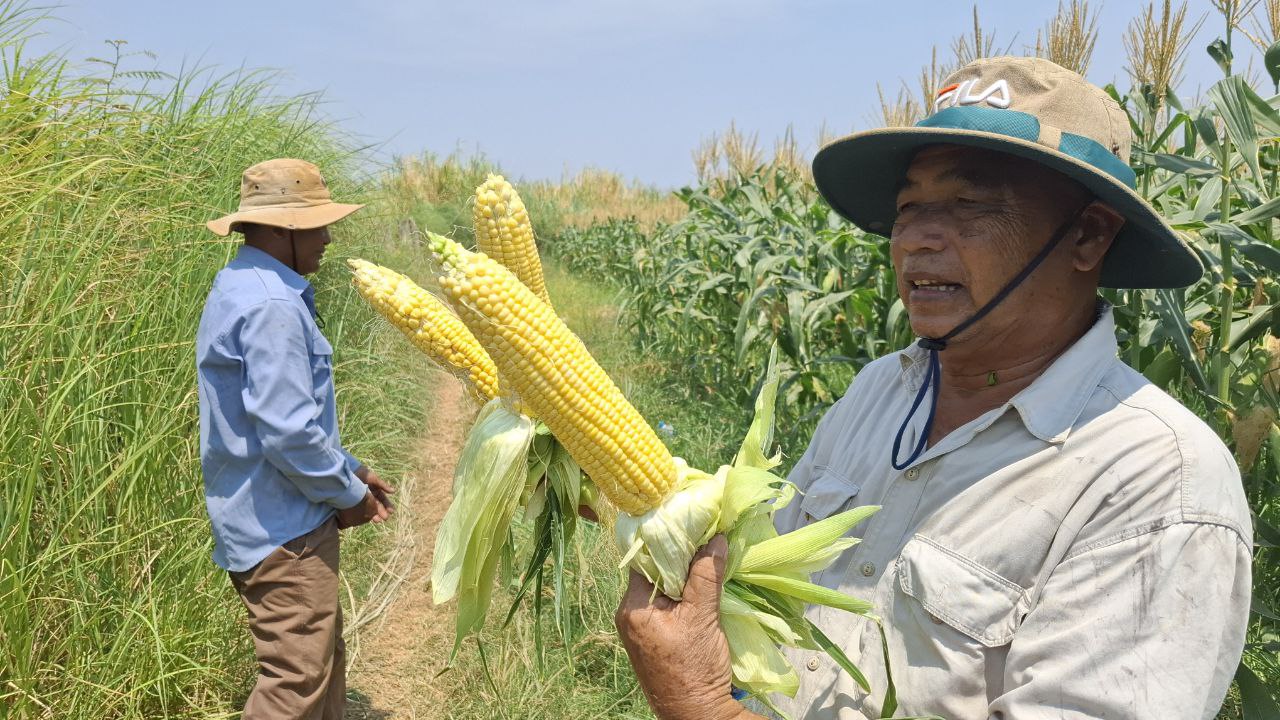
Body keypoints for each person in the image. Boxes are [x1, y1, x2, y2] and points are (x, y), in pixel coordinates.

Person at [615, 57, 1252, 719]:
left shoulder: (1156, 484)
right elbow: (760, 578)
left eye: (969, 205)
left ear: (1089, 234)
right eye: (908, 208)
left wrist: (700, 702)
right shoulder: (877, 392)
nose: (915, 240)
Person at [197, 158, 395, 719]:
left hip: (265, 513)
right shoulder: (272, 306)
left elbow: (277, 419)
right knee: (296, 680)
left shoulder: (241, 285)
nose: (327, 238)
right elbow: (286, 433)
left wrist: (348, 467)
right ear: (286, 228)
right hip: (283, 531)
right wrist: (348, 495)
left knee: (321, 662)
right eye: (320, 225)